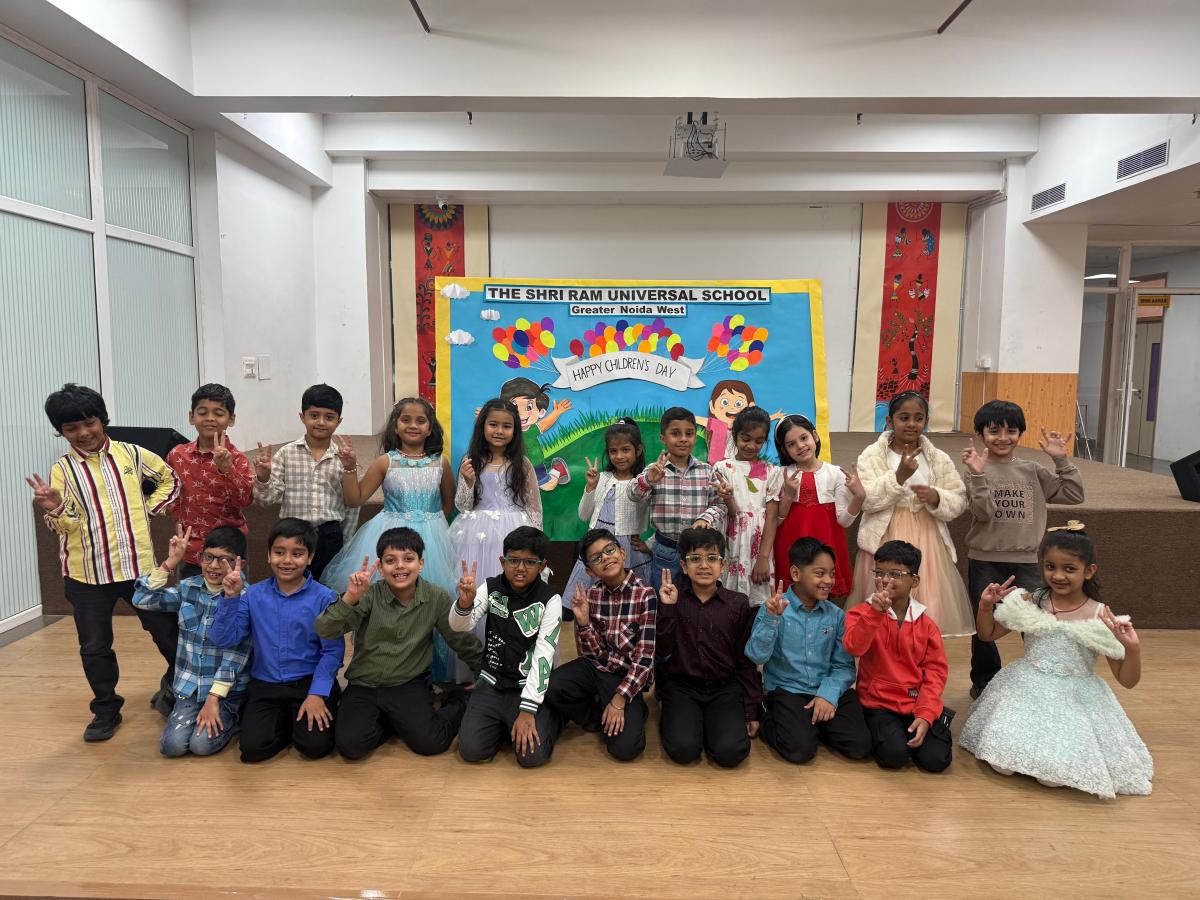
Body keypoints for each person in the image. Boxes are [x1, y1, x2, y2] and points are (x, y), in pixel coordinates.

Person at [27, 384, 181, 741]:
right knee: (95, 646)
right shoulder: (63, 471)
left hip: (139, 569)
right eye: (71, 428)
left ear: (102, 419)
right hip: (87, 575)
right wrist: (55, 508)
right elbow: (65, 527)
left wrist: (148, 508)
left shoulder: (133, 454)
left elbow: (170, 481)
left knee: (167, 632)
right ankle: (106, 708)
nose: (83, 433)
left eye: (89, 422)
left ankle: (177, 685)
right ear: (61, 431)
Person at [959, 525, 1152, 798]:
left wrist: (1133, 649)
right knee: (1002, 764)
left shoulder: (1100, 615)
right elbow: (987, 634)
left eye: (1069, 569)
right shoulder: (1032, 600)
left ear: (1089, 571)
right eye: (1050, 567)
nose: (1058, 576)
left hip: (1074, 697)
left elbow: (1127, 680)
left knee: (1052, 778)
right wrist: (985, 606)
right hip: (1025, 687)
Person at [315, 528, 484, 761]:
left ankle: (457, 700)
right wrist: (350, 598)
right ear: (380, 567)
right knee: (350, 747)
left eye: (408, 559)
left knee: (431, 742)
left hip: (407, 684)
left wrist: (484, 675)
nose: (400, 566)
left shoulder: (436, 597)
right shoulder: (368, 594)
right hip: (364, 684)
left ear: (421, 563)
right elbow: (325, 629)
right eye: (390, 561)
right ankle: (393, 721)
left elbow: (459, 638)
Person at [321, 397, 457, 682]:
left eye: (421, 420)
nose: (413, 425)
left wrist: (430, 524)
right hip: (390, 538)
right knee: (383, 603)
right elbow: (355, 498)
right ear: (395, 426)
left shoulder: (440, 463)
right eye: (405, 419)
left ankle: (432, 676)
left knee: (431, 605)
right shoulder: (385, 462)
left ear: (431, 427)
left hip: (432, 540)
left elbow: (448, 504)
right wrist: (349, 468)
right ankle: (380, 665)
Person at [962, 400, 1085, 698]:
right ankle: (985, 681)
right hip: (985, 560)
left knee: (1035, 623)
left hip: (1027, 562)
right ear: (980, 434)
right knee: (984, 623)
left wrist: (1061, 460)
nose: (1003, 437)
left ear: (1020, 434)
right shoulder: (976, 470)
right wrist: (977, 476)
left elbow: (1073, 494)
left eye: (1011, 431)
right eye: (994, 431)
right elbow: (983, 514)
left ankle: (1040, 675)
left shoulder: (1033, 470)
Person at [210, 518, 345, 762]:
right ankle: (284, 723)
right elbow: (225, 639)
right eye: (279, 552)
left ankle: (312, 712)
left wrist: (317, 693)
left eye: (297, 554)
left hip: (308, 682)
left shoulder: (325, 598)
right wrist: (230, 598)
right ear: (268, 555)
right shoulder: (251, 595)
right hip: (266, 684)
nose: (287, 560)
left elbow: (332, 652)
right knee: (252, 751)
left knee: (315, 747)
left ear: (310, 557)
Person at [846, 391, 974, 637]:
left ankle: (917, 650)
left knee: (927, 600)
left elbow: (958, 499)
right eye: (904, 417)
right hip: (886, 535)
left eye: (918, 418)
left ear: (926, 421)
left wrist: (937, 497)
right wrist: (898, 477)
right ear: (890, 421)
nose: (912, 424)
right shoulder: (872, 455)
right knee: (884, 604)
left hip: (927, 538)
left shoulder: (938, 458)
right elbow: (867, 500)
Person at [745, 538, 871, 764]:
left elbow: (844, 666)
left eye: (832, 574)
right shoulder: (774, 606)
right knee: (799, 751)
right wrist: (771, 619)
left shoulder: (836, 615)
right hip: (788, 690)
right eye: (820, 573)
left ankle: (811, 723)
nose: (828, 581)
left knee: (859, 745)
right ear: (796, 573)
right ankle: (770, 715)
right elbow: (756, 655)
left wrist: (827, 695)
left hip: (826, 688)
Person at [131, 525, 251, 758]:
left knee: (201, 745)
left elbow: (236, 654)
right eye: (208, 557)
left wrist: (214, 699)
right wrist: (171, 562)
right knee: (172, 747)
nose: (214, 566)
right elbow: (141, 599)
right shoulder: (189, 588)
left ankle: (234, 718)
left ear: (240, 563)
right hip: (190, 687)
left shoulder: (247, 596)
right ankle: (182, 708)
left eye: (223, 560)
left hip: (225, 692)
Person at [450, 526, 562, 767]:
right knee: (471, 751)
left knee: (532, 757)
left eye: (530, 562)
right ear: (502, 561)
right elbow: (460, 626)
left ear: (542, 566)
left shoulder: (550, 599)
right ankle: (501, 724)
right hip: (491, 683)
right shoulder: (489, 587)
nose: (520, 568)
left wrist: (529, 709)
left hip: (526, 686)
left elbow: (544, 656)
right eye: (513, 560)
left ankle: (553, 717)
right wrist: (464, 603)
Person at [447, 398, 542, 682]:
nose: (499, 431)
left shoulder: (521, 463)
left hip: (513, 534)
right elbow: (463, 505)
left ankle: (515, 667)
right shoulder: (471, 461)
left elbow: (534, 507)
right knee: (477, 596)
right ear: (482, 426)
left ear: (515, 430)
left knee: (513, 599)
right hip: (476, 538)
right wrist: (467, 481)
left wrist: (537, 546)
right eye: (493, 424)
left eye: (506, 426)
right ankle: (477, 670)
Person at [547, 528, 657, 762]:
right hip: (599, 667)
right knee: (552, 686)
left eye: (609, 550)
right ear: (589, 570)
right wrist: (583, 622)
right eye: (596, 558)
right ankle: (597, 716)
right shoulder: (592, 595)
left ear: (622, 553)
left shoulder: (646, 595)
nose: (606, 558)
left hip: (627, 675)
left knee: (626, 750)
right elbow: (591, 655)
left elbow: (645, 659)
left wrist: (619, 700)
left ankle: (630, 709)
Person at [843, 540, 953, 773]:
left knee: (937, 760)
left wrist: (925, 714)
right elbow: (854, 647)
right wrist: (875, 614)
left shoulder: (927, 625)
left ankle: (933, 721)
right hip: (878, 704)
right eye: (879, 572)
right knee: (893, 756)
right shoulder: (860, 612)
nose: (885, 580)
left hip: (916, 703)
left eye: (895, 574)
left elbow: (935, 673)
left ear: (914, 581)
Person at [656, 528, 760, 768]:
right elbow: (661, 651)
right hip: (682, 686)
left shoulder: (738, 603)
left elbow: (745, 660)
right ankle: (677, 714)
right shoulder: (673, 598)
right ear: (684, 566)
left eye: (712, 558)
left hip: (724, 687)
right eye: (695, 558)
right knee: (683, 750)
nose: (704, 565)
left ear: (722, 565)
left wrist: (751, 708)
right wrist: (668, 609)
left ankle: (710, 724)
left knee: (731, 752)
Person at [251, 383, 359, 583]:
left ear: (339, 421)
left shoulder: (343, 458)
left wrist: (346, 540)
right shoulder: (286, 454)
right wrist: (264, 477)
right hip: (292, 537)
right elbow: (265, 500)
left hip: (330, 536)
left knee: (327, 587)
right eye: (314, 415)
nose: (321, 422)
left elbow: (352, 505)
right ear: (302, 417)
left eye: (329, 417)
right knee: (291, 585)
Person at [627, 407, 727, 592]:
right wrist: (648, 480)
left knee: (697, 598)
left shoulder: (706, 471)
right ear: (663, 438)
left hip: (699, 552)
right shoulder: (655, 470)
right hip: (666, 551)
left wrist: (706, 518)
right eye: (675, 433)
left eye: (689, 433)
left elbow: (720, 504)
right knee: (665, 599)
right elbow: (633, 495)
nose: (683, 439)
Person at [166, 383, 254, 580]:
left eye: (218, 413)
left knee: (231, 596)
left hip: (228, 551)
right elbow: (170, 491)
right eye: (202, 412)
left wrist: (227, 469)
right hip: (191, 549)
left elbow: (245, 500)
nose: (210, 418)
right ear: (191, 417)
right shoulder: (178, 454)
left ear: (231, 419)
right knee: (189, 596)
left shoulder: (238, 459)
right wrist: (179, 518)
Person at [770, 413, 863, 598]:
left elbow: (844, 521)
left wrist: (859, 496)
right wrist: (789, 495)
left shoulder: (835, 473)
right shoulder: (780, 474)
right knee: (792, 597)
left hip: (825, 546)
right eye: (791, 444)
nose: (800, 446)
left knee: (822, 595)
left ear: (815, 436)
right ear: (784, 450)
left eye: (804, 438)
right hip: (790, 547)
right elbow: (776, 520)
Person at [561, 418, 651, 604]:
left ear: (638, 450)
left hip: (627, 551)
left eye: (625, 450)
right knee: (587, 601)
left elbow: (660, 515)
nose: (619, 456)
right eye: (613, 451)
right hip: (595, 548)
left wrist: (649, 544)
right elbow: (583, 515)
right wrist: (591, 487)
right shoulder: (602, 478)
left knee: (625, 602)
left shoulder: (642, 484)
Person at [713, 406, 779, 606]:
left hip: (760, 547)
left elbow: (772, 517)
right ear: (735, 435)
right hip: (731, 543)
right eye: (746, 439)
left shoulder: (772, 471)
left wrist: (763, 558)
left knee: (759, 605)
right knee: (727, 602)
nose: (751, 446)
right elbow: (731, 513)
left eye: (759, 441)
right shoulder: (722, 468)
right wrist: (728, 498)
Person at [498, 377, 572, 491]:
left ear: (541, 412)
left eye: (529, 407)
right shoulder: (507, 430)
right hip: (515, 468)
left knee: (548, 486)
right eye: (514, 406)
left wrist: (556, 413)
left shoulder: (530, 430)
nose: (521, 414)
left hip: (535, 465)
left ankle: (557, 470)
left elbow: (544, 424)